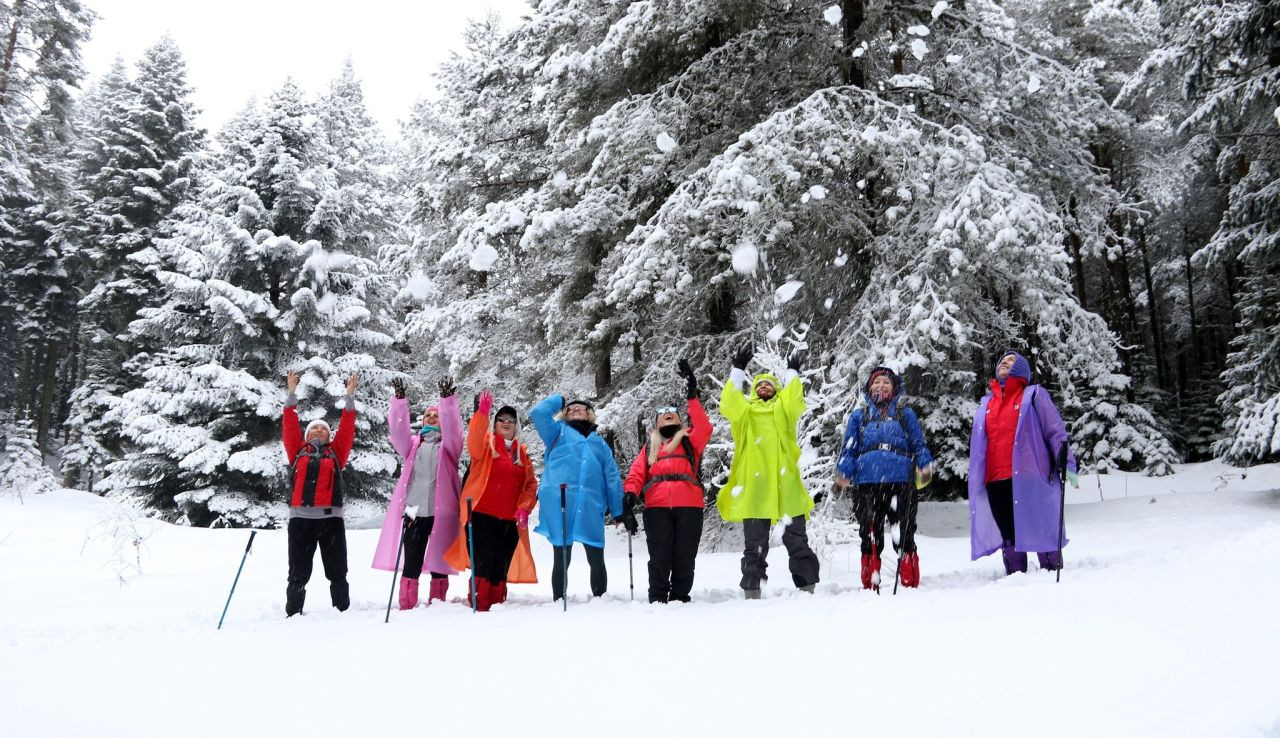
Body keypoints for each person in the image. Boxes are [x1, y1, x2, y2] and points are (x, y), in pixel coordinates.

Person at [717, 342, 820, 599]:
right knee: (755, 546)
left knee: (797, 540)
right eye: (759, 384)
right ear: (753, 391)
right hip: (755, 487)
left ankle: (807, 588)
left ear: (775, 391)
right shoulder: (745, 413)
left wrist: (792, 373)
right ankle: (752, 590)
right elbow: (730, 402)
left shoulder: (782, 411)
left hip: (786, 485)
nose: (764, 387)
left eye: (769, 385)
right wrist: (738, 370)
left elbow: (793, 399)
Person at [968, 350, 1078, 575]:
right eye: (1001, 361)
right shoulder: (987, 403)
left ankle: (1051, 570)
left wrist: (1067, 463)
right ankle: (1016, 578)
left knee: (1039, 524)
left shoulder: (1033, 395)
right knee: (1009, 531)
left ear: (1022, 369)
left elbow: (1055, 430)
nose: (1004, 363)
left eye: (1010, 361)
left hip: (1030, 474)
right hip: (995, 478)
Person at [835, 367, 934, 590]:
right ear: (869, 388)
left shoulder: (905, 414)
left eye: (886, 383)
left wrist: (924, 465)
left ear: (894, 388)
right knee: (870, 532)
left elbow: (918, 445)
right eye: (876, 382)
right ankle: (871, 578)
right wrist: (843, 474)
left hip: (901, 480)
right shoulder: (859, 417)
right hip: (867, 483)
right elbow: (849, 449)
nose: (881, 386)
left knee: (905, 529)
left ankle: (908, 577)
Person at [622, 359, 713, 603]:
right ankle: (658, 598)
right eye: (662, 413)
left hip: (689, 506)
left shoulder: (690, 440)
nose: (667, 414)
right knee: (660, 554)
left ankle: (680, 597)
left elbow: (705, 428)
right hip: (657, 507)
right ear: (657, 423)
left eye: (672, 412)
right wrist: (630, 493)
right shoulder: (649, 447)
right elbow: (636, 473)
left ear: (679, 420)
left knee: (685, 555)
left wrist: (692, 397)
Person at [443, 390, 539, 611]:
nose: (506, 423)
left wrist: (524, 508)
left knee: (500, 564)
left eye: (511, 421)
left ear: (517, 427)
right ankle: (481, 604)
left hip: (508, 520)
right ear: (495, 424)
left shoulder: (521, 454)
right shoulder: (486, 446)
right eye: (502, 420)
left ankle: (497, 606)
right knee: (484, 563)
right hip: (481, 515)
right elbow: (474, 440)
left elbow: (530, 486)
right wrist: (482, 414)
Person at [372, 376, 462, 608]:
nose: (432, 418)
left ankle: (438, 603)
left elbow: (453, 427)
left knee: (439, 560)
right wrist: (399, 401)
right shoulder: (412, 445)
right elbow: (398, 430)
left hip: (442, 511)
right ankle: (407, 603)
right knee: (411, 557)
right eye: (427, 416)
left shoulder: (450, 447)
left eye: (436, 416)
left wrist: (447, 401)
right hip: (413, 510)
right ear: (421, 422)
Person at [530, 393, 626, 600]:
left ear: (589, 414)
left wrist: (618, 510)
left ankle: (601, 598)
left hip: (591, 503)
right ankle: (559, 599)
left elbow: (611, 476)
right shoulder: (556, 432)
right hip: (561, 501)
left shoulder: (599, 443)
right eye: (570, 409)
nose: (574, 410)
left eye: (580, 408)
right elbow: (538, 413)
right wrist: (559, 400)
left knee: (596, 555)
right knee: (562, 556)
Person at [281, 371, 358, 616]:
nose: (317, 431)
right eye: (313, 428)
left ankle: (342, 610)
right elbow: (289, 427)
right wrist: (292, 394)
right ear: (306, 435)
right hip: (300, 519)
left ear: (328, 436)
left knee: (337, 570)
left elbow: (347, 429)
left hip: (331, 520)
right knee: (298, 571)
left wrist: (349, 397)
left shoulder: (336, 453)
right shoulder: (297, 452)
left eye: (322, 429)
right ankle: (293, 613)